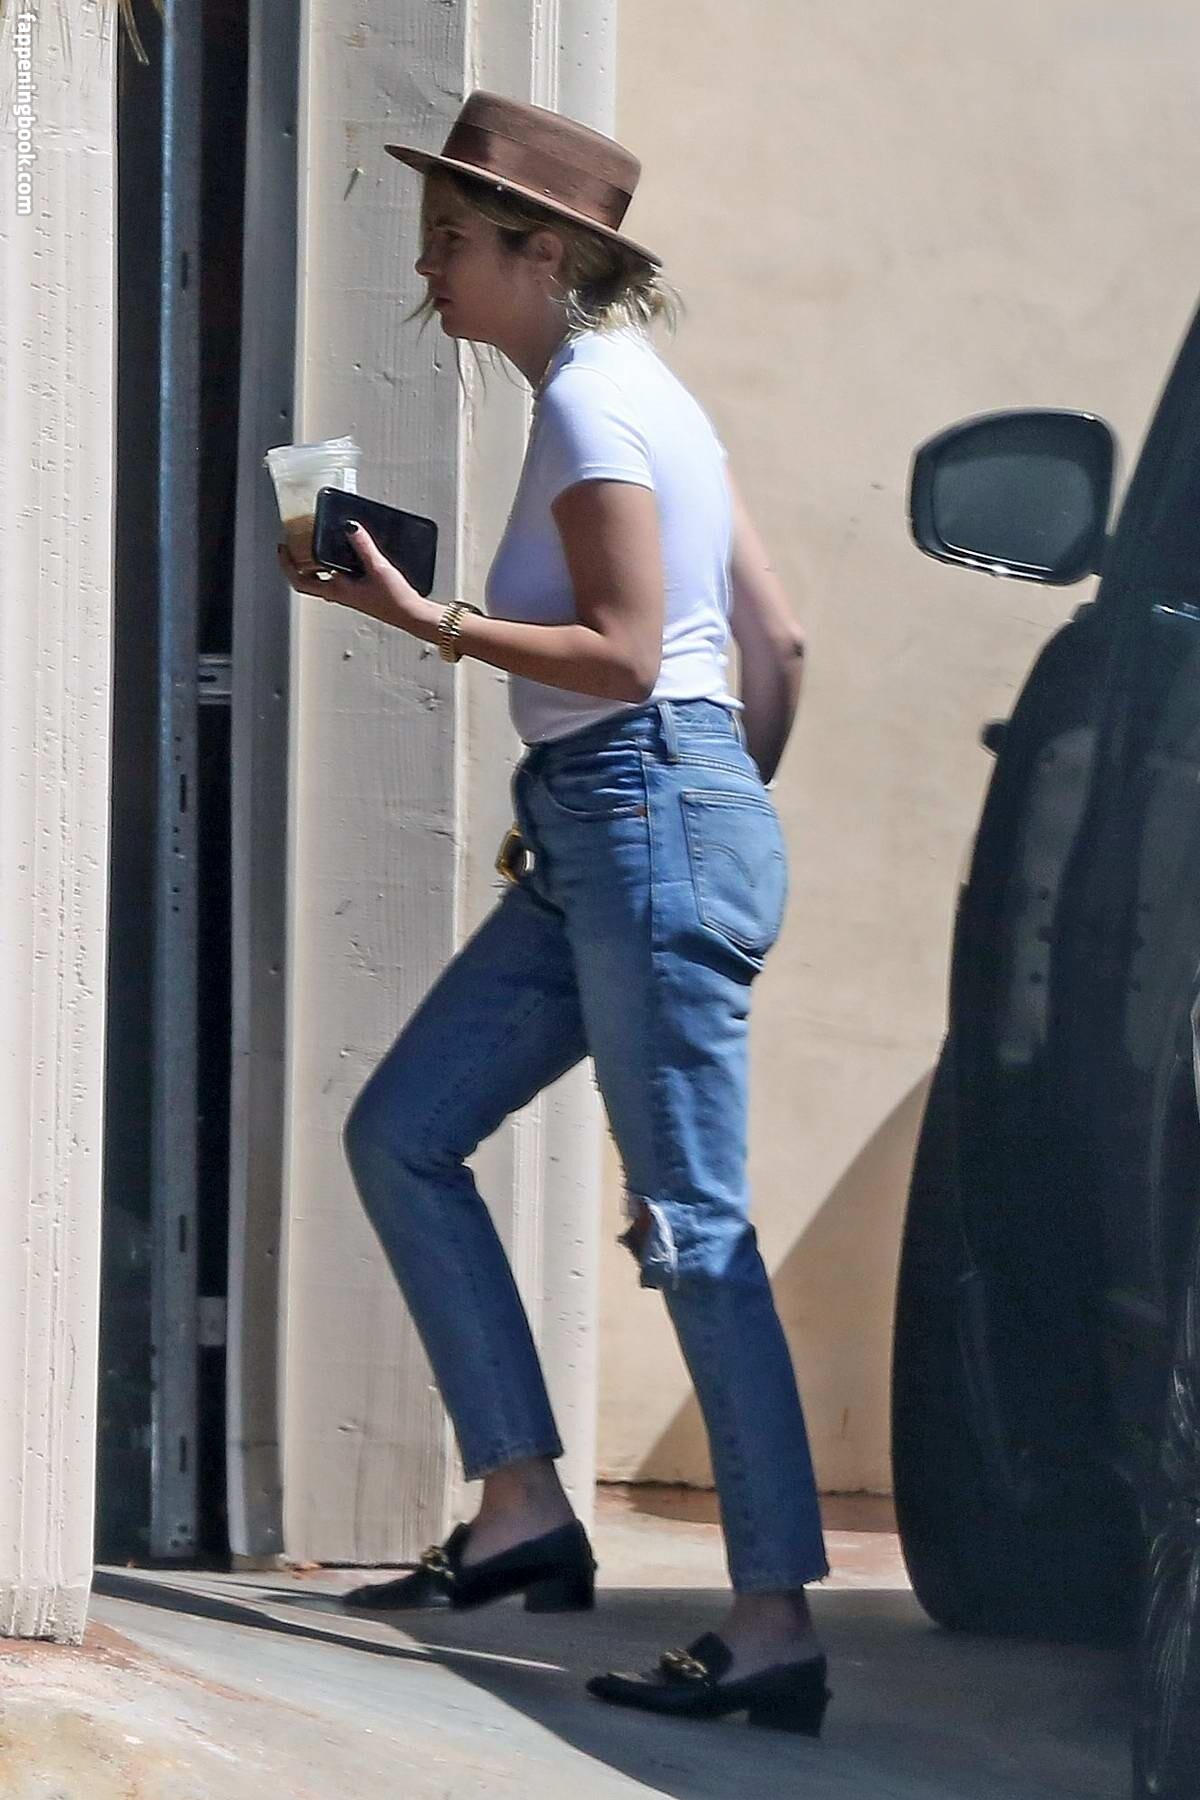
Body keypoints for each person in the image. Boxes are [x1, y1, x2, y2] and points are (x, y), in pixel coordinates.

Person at [277, 90, 830, 1734]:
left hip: (637, 812)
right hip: (625, 827)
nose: (427, 271)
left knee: (693, 1228)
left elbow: (628, 654)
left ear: (545, 252)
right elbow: (777, 647)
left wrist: (428, 618)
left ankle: (773, 1624)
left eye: (452, 239)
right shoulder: (649, 397)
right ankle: (521, 1505)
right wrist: (697, 820)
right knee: (404, 1131)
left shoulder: (595, 407)